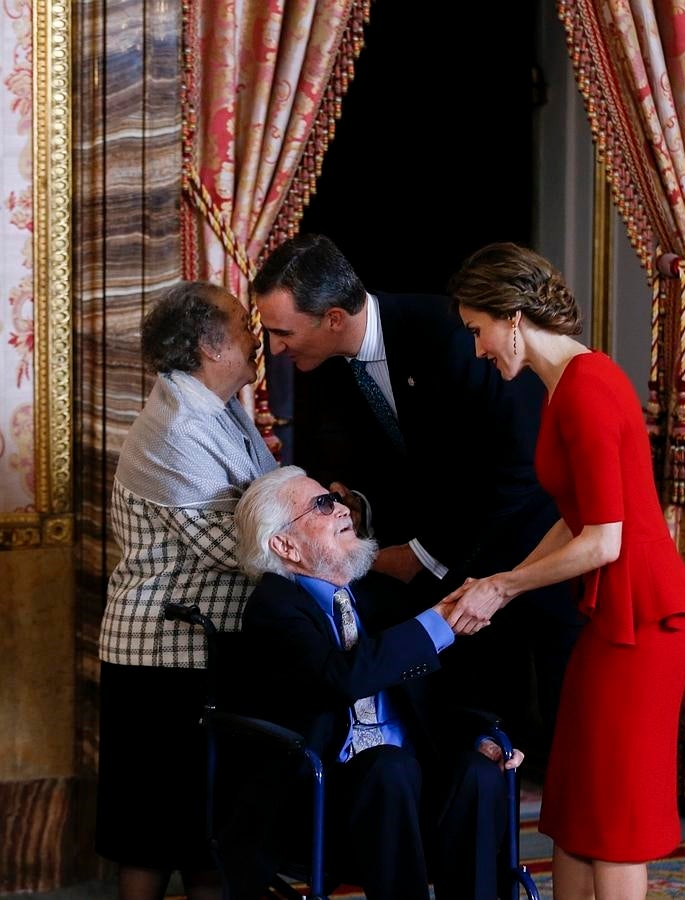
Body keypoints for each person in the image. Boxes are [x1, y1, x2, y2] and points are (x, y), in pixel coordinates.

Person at [444, 242, 685, 900]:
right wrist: (498, 589)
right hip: (613, 613)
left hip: (642, 619)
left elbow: (604, 541)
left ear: (511, 317)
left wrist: (503, 585)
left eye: (476, 331)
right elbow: (574, 516)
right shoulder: (566, 386)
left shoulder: (587, 389)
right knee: (573, 802)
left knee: (611, 815)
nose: (476, 349)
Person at [252, 232, 581, 752]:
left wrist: (425, 555)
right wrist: (362, 502)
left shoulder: (453, 334)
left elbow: (517, 467)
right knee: (478, 742)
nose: (275, 348)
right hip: (456, 579)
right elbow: (410, 467)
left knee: (568, 740)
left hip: (532, 554)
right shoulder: (328, 364)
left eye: (282, 332)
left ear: (333, 318)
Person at [232, 464, 524, 900]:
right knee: (389, 765)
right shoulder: (274, 608)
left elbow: (435, 691)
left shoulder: (375, 595)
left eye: (336, 500)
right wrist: (437, 622)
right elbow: (341, 678)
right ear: (284, 544)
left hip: (408, 788)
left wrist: (476, 735)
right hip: (325, 798)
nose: (341, 509)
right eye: (322, 504)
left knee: (477, 772)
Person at [95, 281, 277, 900]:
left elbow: (265, 504)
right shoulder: (176, 428)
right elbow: (238, 548)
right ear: (207, 343)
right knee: (150, 837)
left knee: (206, 838)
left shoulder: (220, 409)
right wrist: (319, 528)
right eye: (242, 324)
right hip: (161, 656)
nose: (256, 334)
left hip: (202, 653)